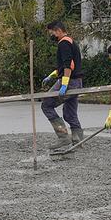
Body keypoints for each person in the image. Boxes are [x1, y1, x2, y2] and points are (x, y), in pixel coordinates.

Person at [41, 20, 84, 149]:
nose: (52, 35)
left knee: (46, 105)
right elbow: (68, 64)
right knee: (69, 113)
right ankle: (78, 141)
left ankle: (63, 138)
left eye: (52, 32)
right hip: (77, 82)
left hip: (69, 81)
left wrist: (64, 84)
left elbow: (68, 65)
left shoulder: (63, 43)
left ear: (58, 30)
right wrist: (52, 75)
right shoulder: (70, 41)